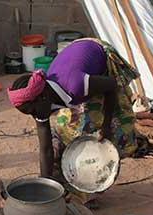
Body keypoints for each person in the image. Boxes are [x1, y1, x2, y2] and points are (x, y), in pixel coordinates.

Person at [7, 38, 140, 203]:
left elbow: (111, 85)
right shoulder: (41, 101)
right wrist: (44, 186)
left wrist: (106, 126)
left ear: (42, 97)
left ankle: (90, 187)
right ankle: (61, 185)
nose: (33, 116)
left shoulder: (76, 85)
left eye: (32, 111)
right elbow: (46, 148)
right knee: (63, 135)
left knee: (107, 131)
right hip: (75, 66)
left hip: (98, 59)